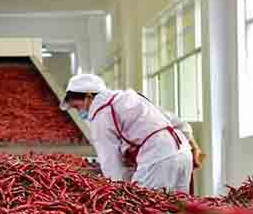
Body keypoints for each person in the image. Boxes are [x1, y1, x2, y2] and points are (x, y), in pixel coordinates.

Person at [60, 73, 204, 193]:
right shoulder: (130, 97)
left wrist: (119, 194)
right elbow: (175, 122)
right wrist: (195, 147)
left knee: (147, 212)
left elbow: (111, 163)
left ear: (89, 97)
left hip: (157, 158)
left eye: (78, 107)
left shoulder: (101, 113)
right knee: (178, 209)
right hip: (183, 153)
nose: (80, 112)